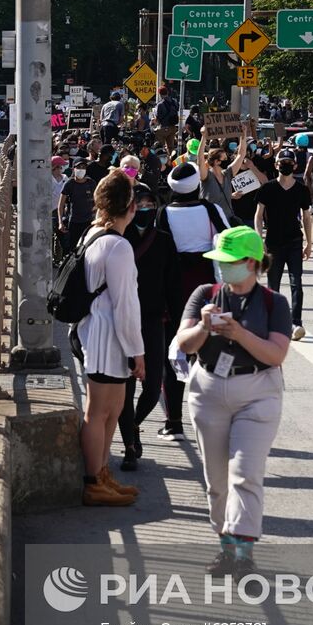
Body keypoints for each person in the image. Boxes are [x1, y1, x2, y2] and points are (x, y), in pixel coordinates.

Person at [175, 226, 292, 577]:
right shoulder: (204, 294)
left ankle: (244, 553)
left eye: (231, 262)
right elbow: (184, 344)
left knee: (245, 474)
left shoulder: (274, 302)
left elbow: (276, 354)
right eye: (220, 261)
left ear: (252, 262)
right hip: (209, 389)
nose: (223, 269)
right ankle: (225, 546)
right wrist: (205, 328)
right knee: (216, 481)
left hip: (257, 391)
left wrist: (239, 333)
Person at [75, 170, 144, 505]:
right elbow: (125, 306)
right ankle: (92, 481)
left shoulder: (94, 234)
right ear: (130, 207)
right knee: (99, 411)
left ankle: (102, 472)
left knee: (113, 409)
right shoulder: (118, 247)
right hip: (106, 337)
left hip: (100, 332)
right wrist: (138, 352)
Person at [156, 162, 227, 441]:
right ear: (197, 185)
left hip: (173, 292)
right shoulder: (211, 210)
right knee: (214, 352)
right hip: (212, 289)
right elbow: (227, 239)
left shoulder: (162, 215)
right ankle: (216, 421)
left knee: (174, 353)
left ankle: (174, 422)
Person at [118, 183, 176, 470]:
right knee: (126, 388)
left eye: (149, 205)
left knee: (153, 386)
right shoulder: (120, 239)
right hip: (125, 321)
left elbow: (173, 283)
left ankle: (135, 425)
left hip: (154, 320)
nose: (145, 210)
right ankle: (129, 446)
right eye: (139, 206)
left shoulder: (164, 240)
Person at [255, 149, 312, 341]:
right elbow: (258, 214)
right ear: (276, 165)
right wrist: (259, 238)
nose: (285, 165)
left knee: (297, 283)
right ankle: (274, 323)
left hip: (295, 241)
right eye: (282, 162)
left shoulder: (301, 189)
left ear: (295, 165)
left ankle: (297, 322)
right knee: (273, 286)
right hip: (273, 243)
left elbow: (306, 217)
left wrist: (309, 242)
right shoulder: (267, 188)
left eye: (289, 162)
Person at [57, 159, 96, 254]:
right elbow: (61, 204)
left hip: (89, 221)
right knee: (73, 249)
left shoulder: (91, 183)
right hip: (74, 221)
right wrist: (60, 222)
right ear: (73, 169)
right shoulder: (69, 184)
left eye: (83, 167)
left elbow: (98, 201)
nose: (81, 169)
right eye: (78, 167)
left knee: (88, 248)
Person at [154, 85, 180, 154]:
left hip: (164, 128)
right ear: (167, 93)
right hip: (173, 127)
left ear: (160, 94)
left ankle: (162, 161)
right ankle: (171, 161)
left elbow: (158, 118)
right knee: (170, 147)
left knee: (159, 146)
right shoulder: (174, 101)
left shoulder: (160, 104)